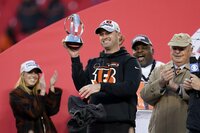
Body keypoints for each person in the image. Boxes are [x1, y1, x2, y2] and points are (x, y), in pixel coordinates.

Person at [65, 20, 141, 133]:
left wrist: (100, 86)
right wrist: (75, 57)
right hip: (94, 123)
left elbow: (130, 88)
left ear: (119, 35)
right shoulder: (93, 62)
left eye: (108, 33)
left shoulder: (130, 61)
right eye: (101, 34)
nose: (104, 37)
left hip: (120, 124)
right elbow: (81, 87)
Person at [140, 33, 192, 133]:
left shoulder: (196, 72)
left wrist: (177, 88)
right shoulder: (159, 70)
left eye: (181, 48)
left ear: (191, 50)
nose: (177, 52)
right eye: (174, 48)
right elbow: (145, 96)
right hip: (159, 129)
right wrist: (160, 83)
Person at [9, 60, 62, 133]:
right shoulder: (16, 95)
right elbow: (33, 113)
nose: (33, 75)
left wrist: (52, 86)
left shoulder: (38, 93)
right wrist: (42, 91)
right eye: (30, 72)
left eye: (36, 73)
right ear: (23, 75)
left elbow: (52, 111)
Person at [132, 34, 164, 110]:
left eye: (144, 48)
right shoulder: (129, 70)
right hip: (136, 117)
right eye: (136, 49)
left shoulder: (162, 68)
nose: (139, 51)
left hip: (157, 115)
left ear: (152, 51)